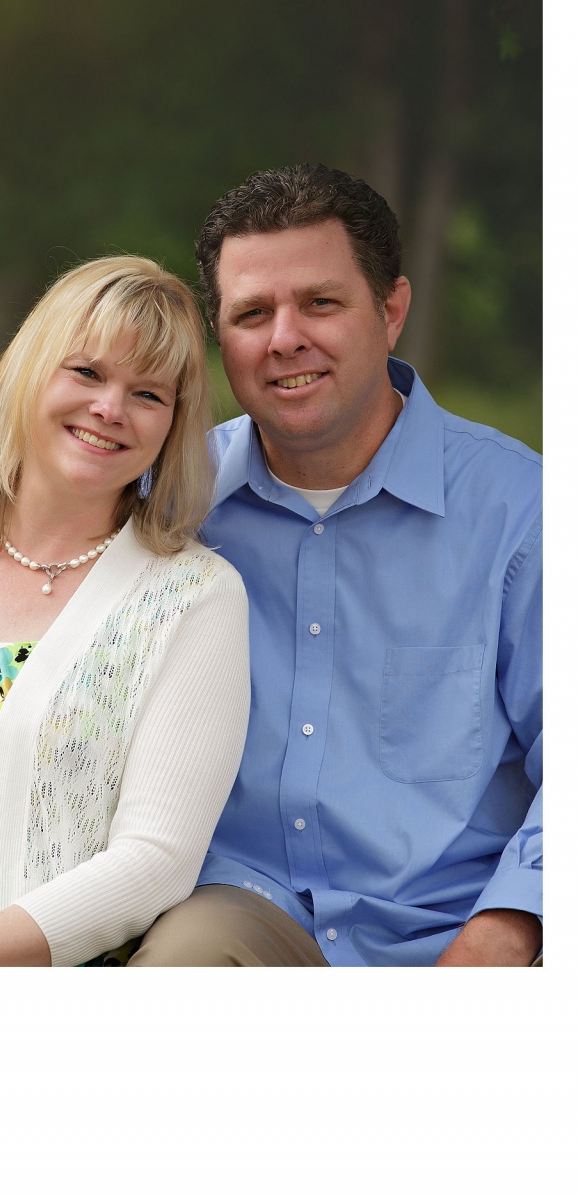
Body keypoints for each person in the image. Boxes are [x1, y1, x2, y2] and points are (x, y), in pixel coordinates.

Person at [128, 163, 542, 967]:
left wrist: (511, 926)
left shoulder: (523, 514)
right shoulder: (172, 508)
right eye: (252, 313)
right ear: (223, 338)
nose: (286, 338)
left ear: (390, 311)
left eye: (320, 302)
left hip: (453, 925)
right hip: (241, 915)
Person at [0, 256, 250, 967]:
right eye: (88, 373)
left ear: (173, 425)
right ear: (29, 370)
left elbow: (154, 859)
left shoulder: (195, 596)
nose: (110, 409)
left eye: (148, 394)